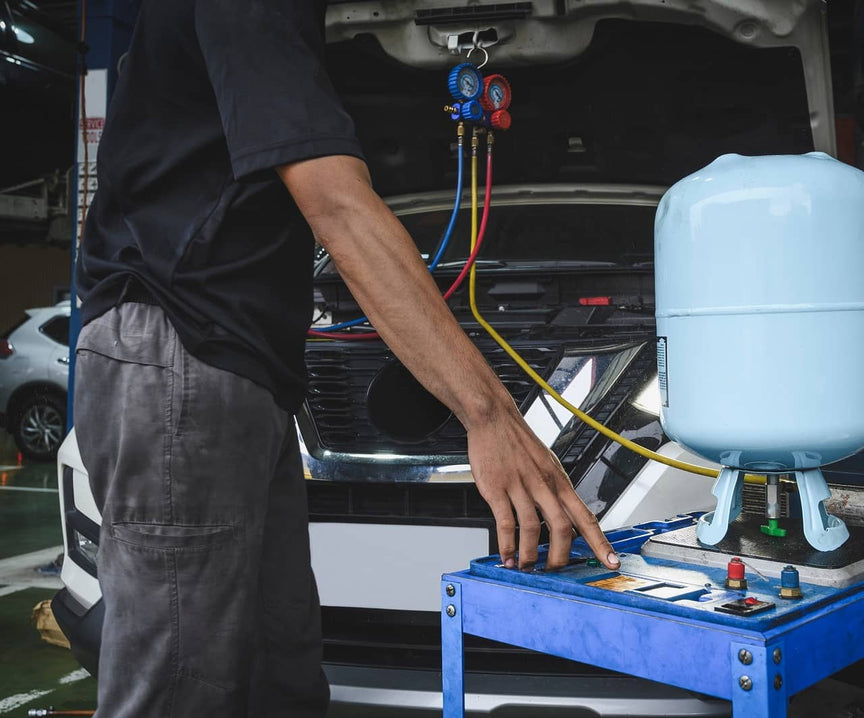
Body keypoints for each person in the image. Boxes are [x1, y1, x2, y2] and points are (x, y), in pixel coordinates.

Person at [73, 0, 619, 715]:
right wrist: (489, 414)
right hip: (181, 355)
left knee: (281, 681)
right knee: (179, 689)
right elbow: (335, 202)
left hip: (236, 369)